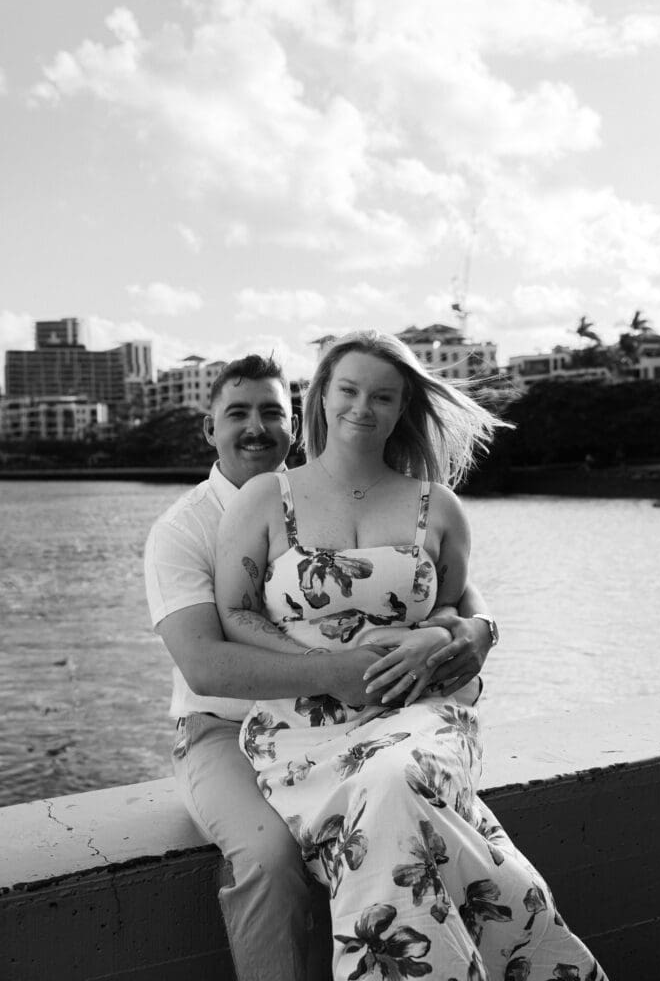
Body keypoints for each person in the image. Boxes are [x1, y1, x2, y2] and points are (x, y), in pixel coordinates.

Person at [214, 333, 608, 981]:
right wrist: (324, 669)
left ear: (402, 408)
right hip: (302, 728)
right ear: (321, 396)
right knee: (404, 807)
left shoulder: (437, 505)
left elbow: (453, 609)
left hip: (422, 710)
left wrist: (440, 636)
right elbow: (235, 612)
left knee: (394, 778)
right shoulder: (263, 498)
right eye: (348, 390)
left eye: (382, 396)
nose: (361, 407)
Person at [144, 353, 497, 981]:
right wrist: (336, 671)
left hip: (353, 720)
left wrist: (480, 628)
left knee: (396, 803)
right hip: (223, 727)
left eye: (271, 411)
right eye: (238, 413)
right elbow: (205, 666)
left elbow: (445, 590)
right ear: (209, 428)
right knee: (268, 855)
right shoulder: (182, 530)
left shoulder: (326, 494)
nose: (256, 427)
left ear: (296, 421)